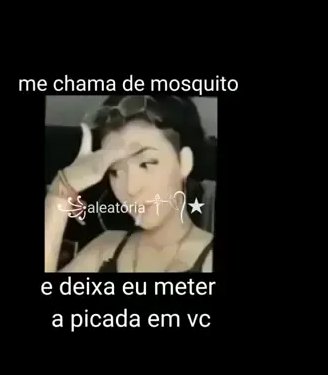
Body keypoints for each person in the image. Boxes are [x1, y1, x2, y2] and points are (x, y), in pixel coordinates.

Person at [45, 95, 213, 272]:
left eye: (146, 163)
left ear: (184, 162)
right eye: (115, 171)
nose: (130, 189)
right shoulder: (104, 249)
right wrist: (61, 189)